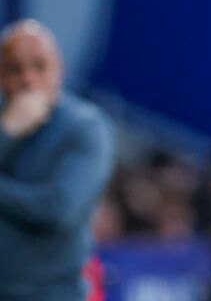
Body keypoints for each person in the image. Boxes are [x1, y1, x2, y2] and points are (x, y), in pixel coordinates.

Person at [0, 19, 115, 300]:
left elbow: (58, 209)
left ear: (59, 69)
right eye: (15, 69)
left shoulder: (86, 127)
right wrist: (7, 131)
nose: (28, 78)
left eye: (39, 66)